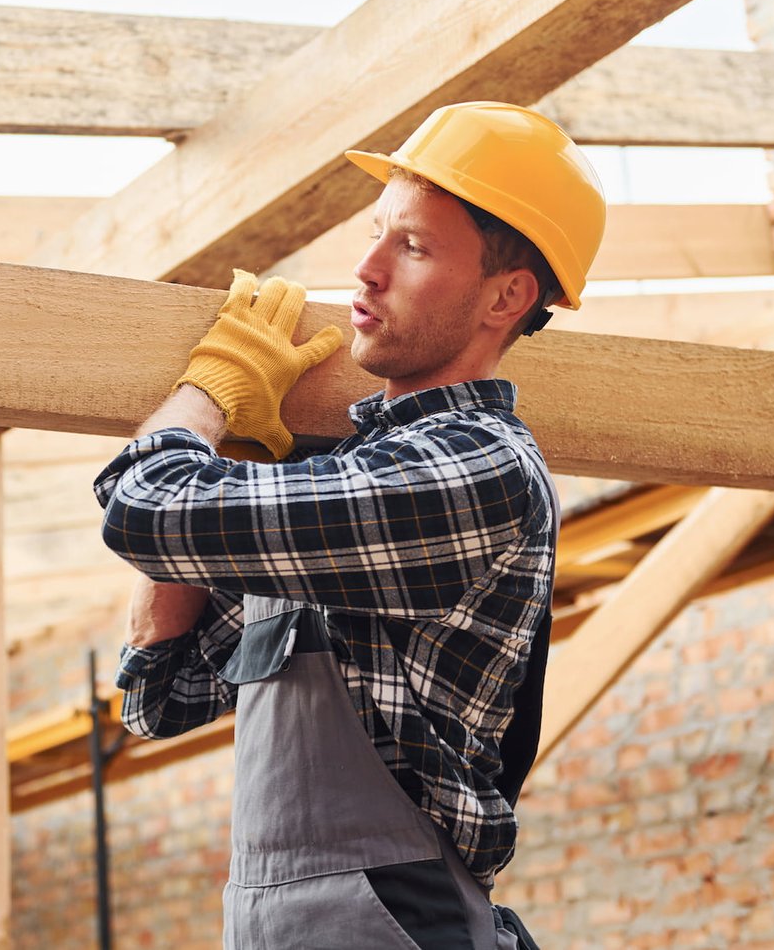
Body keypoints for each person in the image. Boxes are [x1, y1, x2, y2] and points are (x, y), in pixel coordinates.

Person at [93, 102, 605, 949]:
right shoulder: (340, 482)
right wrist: (248, 468)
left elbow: (140, 504)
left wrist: (208, 394)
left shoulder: (477, 469)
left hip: (392, 922)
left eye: (412, 246)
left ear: (507, 295)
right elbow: (161, 696)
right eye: (376, 233)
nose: (364, 269)